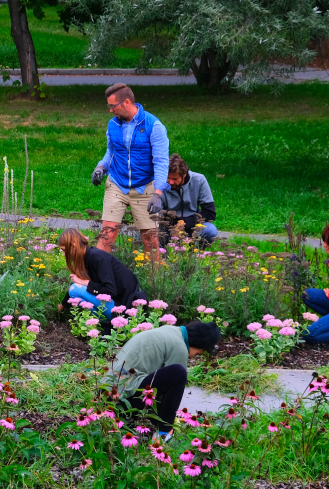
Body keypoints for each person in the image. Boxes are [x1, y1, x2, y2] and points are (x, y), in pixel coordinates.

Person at [90, 83, 169, 259]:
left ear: (126, 102)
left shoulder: (153, 126)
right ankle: (97, 281)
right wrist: (100, 167)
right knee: (107, 235)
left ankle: (154, 282)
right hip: (117, 184)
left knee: (150, 240)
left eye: (112, 106)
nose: (110, 111)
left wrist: (158, 193)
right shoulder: (113, 125)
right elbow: (111, 152)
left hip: (145, 187)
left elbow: (161, 162)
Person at [108, 322, 222, 443]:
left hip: (107, 397)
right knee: (178, 372)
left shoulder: (171, 332)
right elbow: (171, 391)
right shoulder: (180, 347)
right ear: (200, 344)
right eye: (197, 354)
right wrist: (168, 419)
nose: (192, 358)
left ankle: (140, 423)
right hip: (121, 402)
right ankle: (164, 434)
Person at [57, 228, 144, 317]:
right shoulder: (86, 257)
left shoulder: (96, 258)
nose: (64, 254)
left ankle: (105, 320)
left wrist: (84, 282)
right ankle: (102, 321)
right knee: (77, 294)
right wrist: (62, 306)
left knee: (74, 289)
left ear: (73, 246)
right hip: (119, 303)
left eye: (64, 250)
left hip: (126, 308)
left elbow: (110, 291)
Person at [160, 154, 218, 247]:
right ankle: (162, 256)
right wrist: (174, 226)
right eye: (168, 178)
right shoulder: (158, 182)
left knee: (210, 230)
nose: (170, 182)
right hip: (166, 227)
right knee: (144, 232)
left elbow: (210, 213)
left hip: (193, 225)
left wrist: (183, 223)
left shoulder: (199, 180)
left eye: (175, 179)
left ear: (184, 175)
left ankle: (194, 255)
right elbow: (154, 214)